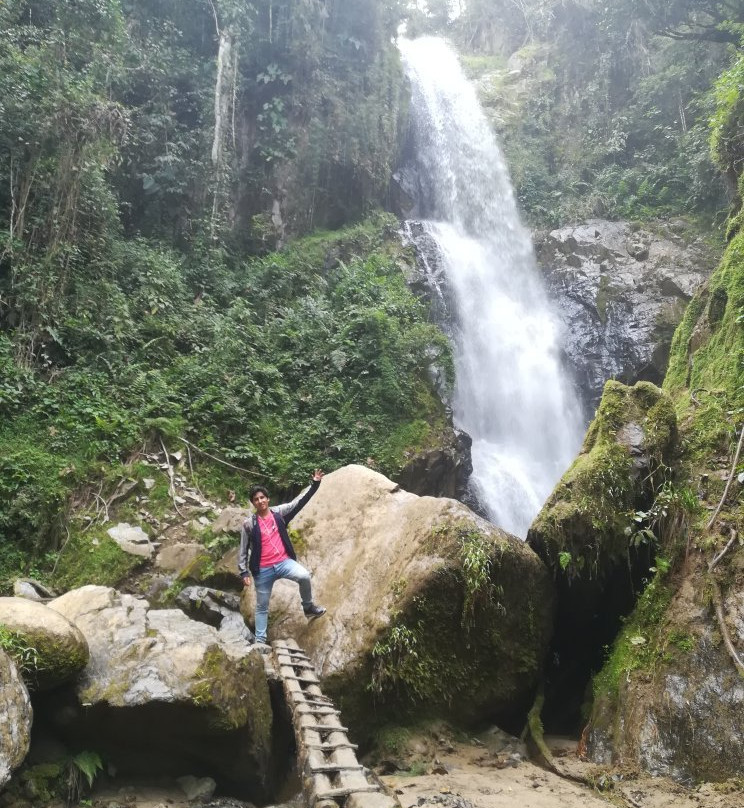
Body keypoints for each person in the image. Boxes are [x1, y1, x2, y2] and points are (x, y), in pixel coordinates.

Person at [238, 469, 326, 646]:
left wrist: (315, 484)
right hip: (263, 569)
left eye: (262, 497)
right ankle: (260, 641)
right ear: (253, 503)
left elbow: (299, 502)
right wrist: (243, 572)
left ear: (268, 499)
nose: (260, 501)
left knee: (304, 576)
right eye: (256, 499)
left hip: (284, 562)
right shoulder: (249, 524)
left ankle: (308, 608)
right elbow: (243, 549)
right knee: (262, 606)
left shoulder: (279, 513)